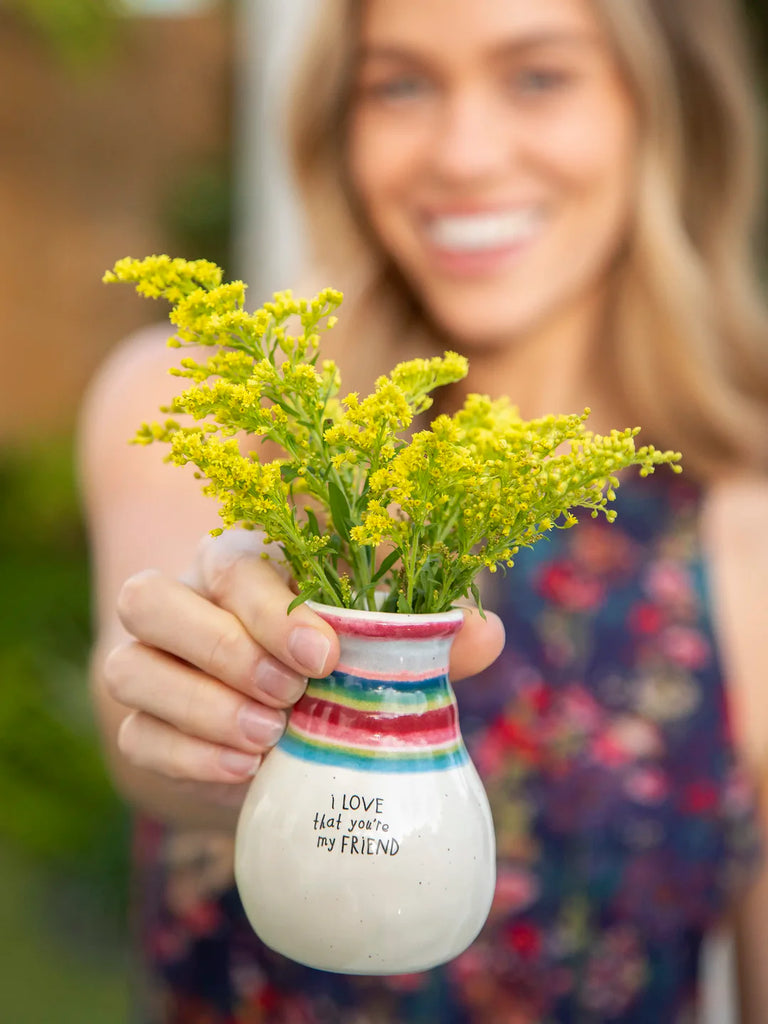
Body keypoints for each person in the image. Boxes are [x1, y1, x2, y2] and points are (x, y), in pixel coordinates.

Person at [79, 0, 768, 1020]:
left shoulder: (743, 508)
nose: (464, 152)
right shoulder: (212, 403)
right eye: (401, 82)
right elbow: (138, 710)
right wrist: (213, 710)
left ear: (663, 107)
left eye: (538, 75)